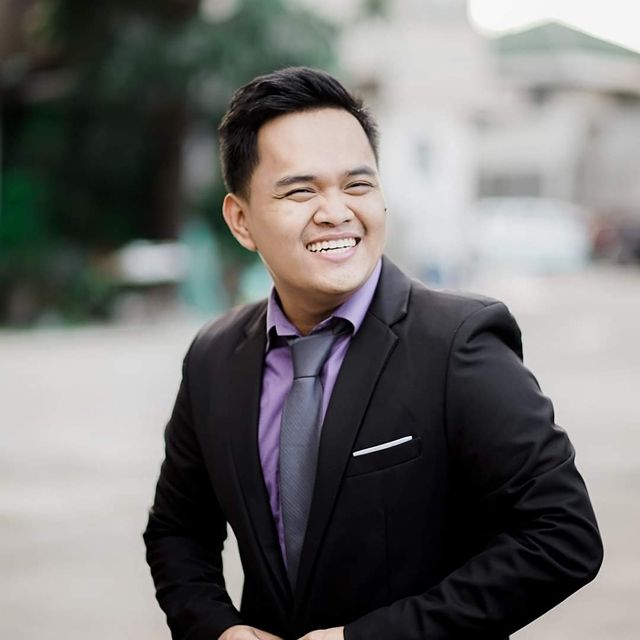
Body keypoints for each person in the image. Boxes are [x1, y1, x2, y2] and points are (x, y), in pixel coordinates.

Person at [144, 67, 603, 640]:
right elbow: (177, 530)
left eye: (357, 185)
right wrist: (219, 629)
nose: (336, 211)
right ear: (241, 221)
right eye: (301, 191)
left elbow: (561, 536)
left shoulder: (457, 343)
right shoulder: (214, 357)